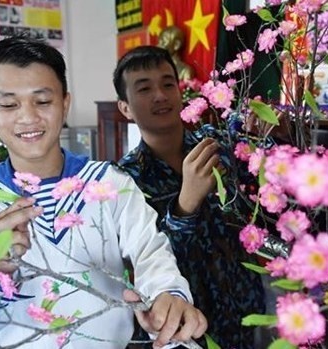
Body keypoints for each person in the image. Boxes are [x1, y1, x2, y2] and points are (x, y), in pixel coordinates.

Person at [0, 36, 207, 349]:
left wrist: (169, 297)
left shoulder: (108, 183)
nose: (28, 117)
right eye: (8, 104)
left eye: (43, 101)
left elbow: (151, 254)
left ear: (65, 103)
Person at [114, 46, 267, 349]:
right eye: (144, 88)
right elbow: (145, 259)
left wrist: (266, 133)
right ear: (125, 108)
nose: (160, 95)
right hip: (185, 322)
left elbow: (263, 185)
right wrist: (186, 204)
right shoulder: (122, 180)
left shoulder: (215, 142)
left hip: (244, 302)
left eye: (168, 83)